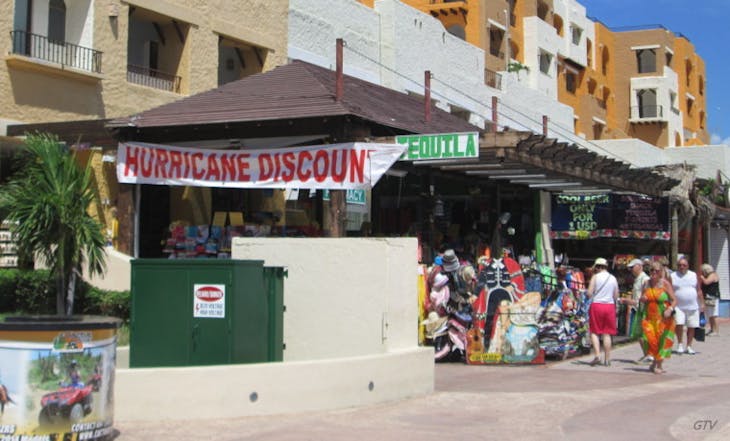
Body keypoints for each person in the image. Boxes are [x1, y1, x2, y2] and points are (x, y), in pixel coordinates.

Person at [639, 261, 677, 374]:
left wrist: (670, 309)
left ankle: (658, 364)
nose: (654, 273)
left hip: (663, 317)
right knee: (649, 340)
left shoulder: (665, 284)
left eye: (657, 270)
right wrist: (643, 299)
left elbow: (674, 300)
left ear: (661, 272)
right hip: (649, 317)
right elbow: (641, 298)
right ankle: (654, 361)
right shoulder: (646, 283)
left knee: (662, 340)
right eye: (652, 270)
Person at [586, 257, 619, 366]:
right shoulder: (613, 278)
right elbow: (616, 295)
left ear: (597, 267)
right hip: (609, 306)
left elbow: (590, 293)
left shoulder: (595, 277)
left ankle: (597, 355)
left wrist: (588, 293)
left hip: (597, 305)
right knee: (607, 333)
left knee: (594, 331)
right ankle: (607, 358)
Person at [670, 256, 704, 355]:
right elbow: (669, 290)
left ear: (688, 266)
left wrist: (702, 303)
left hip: (693, 306)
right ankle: (680, 344)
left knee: (692, 326)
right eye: (680, 265)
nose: (682, 267)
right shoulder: (673, 276)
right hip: (678, 306)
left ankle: (689, 346)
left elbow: (698, 290)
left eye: (684, 265)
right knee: (679, 324)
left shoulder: (693, 275)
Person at [622, 258, 651, 360]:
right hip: (637, 309)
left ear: (639, 266)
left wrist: (630, 302)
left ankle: (649, 354)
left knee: (643, 334)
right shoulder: (637, 279)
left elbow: (645, 296)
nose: (631, 270)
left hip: (642, 309)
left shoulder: (644, 279)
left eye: (632, 267)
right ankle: (647, 354)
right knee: (639, 334)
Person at [699, 263, 721, 336]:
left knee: (714, 314)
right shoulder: (708, 275)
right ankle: (712, 329)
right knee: (710, 315)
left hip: (713, 297)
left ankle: (716, 331)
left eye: (702, 271)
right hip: (708, 297)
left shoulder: (713, 275)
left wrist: (702, 278)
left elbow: (707, 282)